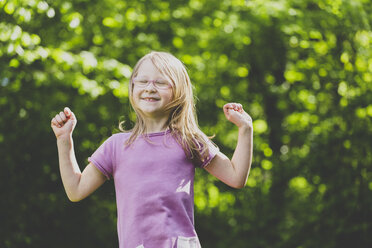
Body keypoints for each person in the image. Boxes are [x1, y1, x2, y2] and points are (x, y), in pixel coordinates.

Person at [51, 51, 253, 248]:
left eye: (161, 82)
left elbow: (236, 177)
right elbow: (75, 190)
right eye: (142, 81)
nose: (150, 88)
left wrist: (245, 129)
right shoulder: (116, 145)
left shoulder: (189, 139)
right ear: (132, 88)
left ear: (179, 90)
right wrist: (64, 140)